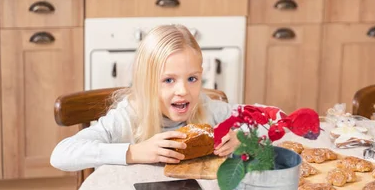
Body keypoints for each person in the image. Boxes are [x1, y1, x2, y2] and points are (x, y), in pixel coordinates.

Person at [50, 24, 241, 172]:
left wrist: (242, 138)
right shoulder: (127, 118)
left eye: (192, 78)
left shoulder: (207, 107)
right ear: (146, 82)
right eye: (168, 80)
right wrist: (133, 152)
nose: (183, 90)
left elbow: (270, 120)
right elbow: (61, 155)